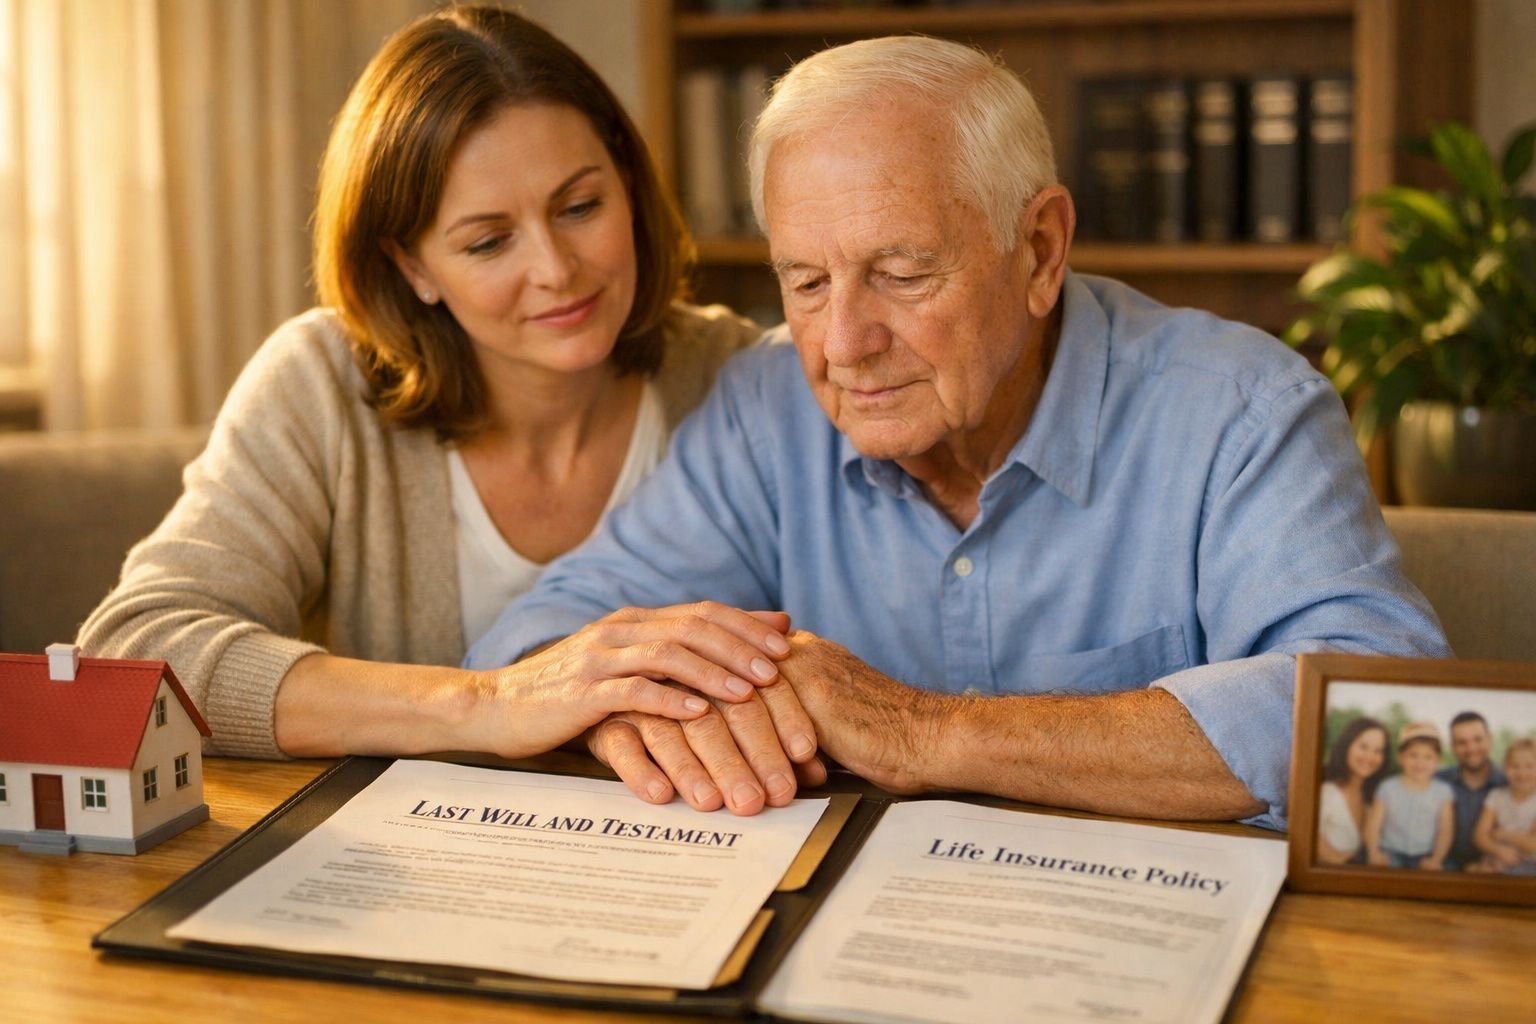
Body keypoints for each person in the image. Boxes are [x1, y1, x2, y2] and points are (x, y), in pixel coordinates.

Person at [466, 35, 1448, 830]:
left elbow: (1391, 714)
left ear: (1040, 248)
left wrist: (927, 734)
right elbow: (541, 640)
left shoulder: (1242, 411)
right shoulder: (767, 406)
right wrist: (638, 706)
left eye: (901, 272)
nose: (843, 343)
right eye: (805, 282)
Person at [77, 6, 791, 773]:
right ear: (412, 267)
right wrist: (492, 702)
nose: (556, 269)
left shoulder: (735, 374)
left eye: (581, 206)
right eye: (487, 242)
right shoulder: (321, 385)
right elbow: (134, 649)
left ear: (627, 181)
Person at [1365, 722, 1455, 869]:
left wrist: (1436, 859)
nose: (1420, 762)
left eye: (1428, 757)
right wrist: (1373, 853)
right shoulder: (1387, 788)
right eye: (1413, 755)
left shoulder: (1443, 792)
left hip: (1426, 854)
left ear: (1437, 761)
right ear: (1400, 757)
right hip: (1391, 851)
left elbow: (1445, 830)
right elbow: (1373, 825)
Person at [1436, 711, 1508, 869]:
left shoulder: (1508, 784)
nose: (1471, 748)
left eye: (1478, 740)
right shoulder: (1436, 781)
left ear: (1490, 740)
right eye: (1462, 742)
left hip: (1494, 870)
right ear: (1453, 747)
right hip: (1443, 868)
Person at [1316, 717, 1391, 864]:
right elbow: (1325, 856)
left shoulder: (1372, 801)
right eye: (1363, 747)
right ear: (1346, 746)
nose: (1370, 756)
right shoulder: (1325, 794)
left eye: (1378, 751)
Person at [1471, 737, 1536, 875]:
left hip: (1530, 863)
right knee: (1479, 872)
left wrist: (1502, 835)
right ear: (1504, 768)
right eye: (1514, 766)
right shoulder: (1496, 796)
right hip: (1497, 858)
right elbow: (1480, 836)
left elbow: (1533, 846)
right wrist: (1498, 851)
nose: (1521, 773)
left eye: (1529, 766)